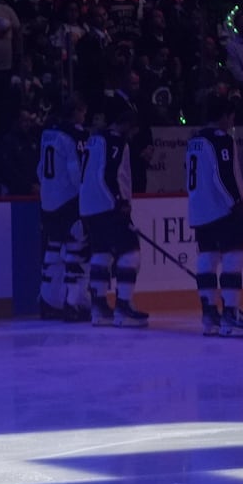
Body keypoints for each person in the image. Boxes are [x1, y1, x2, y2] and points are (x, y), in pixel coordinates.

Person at [185, 98, 243, 337]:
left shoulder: (194, 141)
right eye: (232, 116)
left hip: (200, 210)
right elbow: (223, 175)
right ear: (224, 115)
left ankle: (209, 313)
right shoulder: (220, 140)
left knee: (207, 257)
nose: (233, 121)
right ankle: (231, 312)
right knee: (234, 257)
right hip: (221, 210)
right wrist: (237, 203)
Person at [79, 105, 149, 327]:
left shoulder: (94, 139)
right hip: (108, 206)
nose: (134, 133)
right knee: (130, 252)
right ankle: (124, 306)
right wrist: (119, 200)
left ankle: (99, 308)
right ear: (127, 124)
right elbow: (109, 173)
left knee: (101, 252)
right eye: (134, 128)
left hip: (89, 207)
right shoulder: (116, 141)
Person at [37, 98, 89, 321]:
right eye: (83, 111)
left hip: (48, 201)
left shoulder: (48, 133)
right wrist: (85, 198)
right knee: (77, 250)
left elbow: (40, 169)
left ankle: (48, 301)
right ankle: (74, 303)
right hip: (69, 201)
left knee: (53, 251)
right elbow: (76, 171)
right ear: (76, 111)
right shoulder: (76, 136)